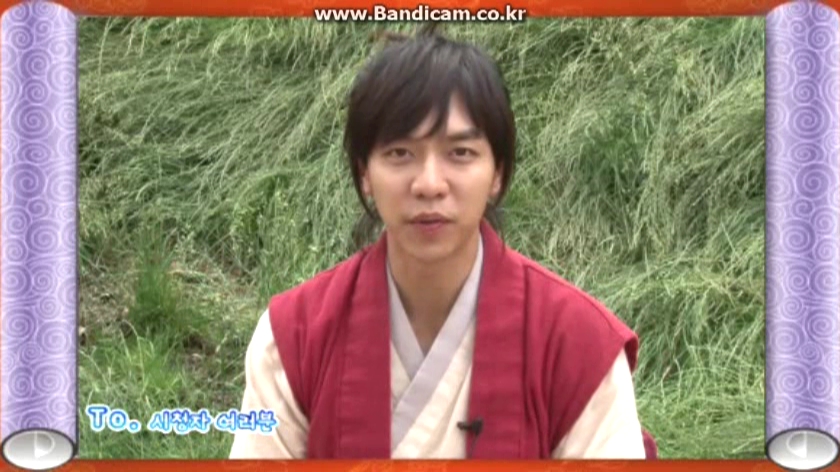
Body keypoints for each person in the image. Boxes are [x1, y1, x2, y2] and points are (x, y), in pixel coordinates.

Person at [229, 24, 657, 460]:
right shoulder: (293, 337)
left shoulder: (578, 344)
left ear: (497, 173)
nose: (429, 184)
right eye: (400, 153)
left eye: (460, 153)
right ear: (364, 173)